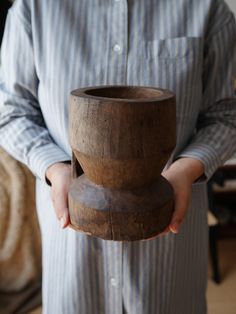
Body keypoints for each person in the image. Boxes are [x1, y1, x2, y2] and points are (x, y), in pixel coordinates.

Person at [0, 0, 236, 313]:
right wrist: (56, 169)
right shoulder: (34, 8)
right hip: (74, 257)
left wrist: (185, 169)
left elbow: (226, 116)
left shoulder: (206, 8)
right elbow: (11, 111)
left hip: (168, 262)